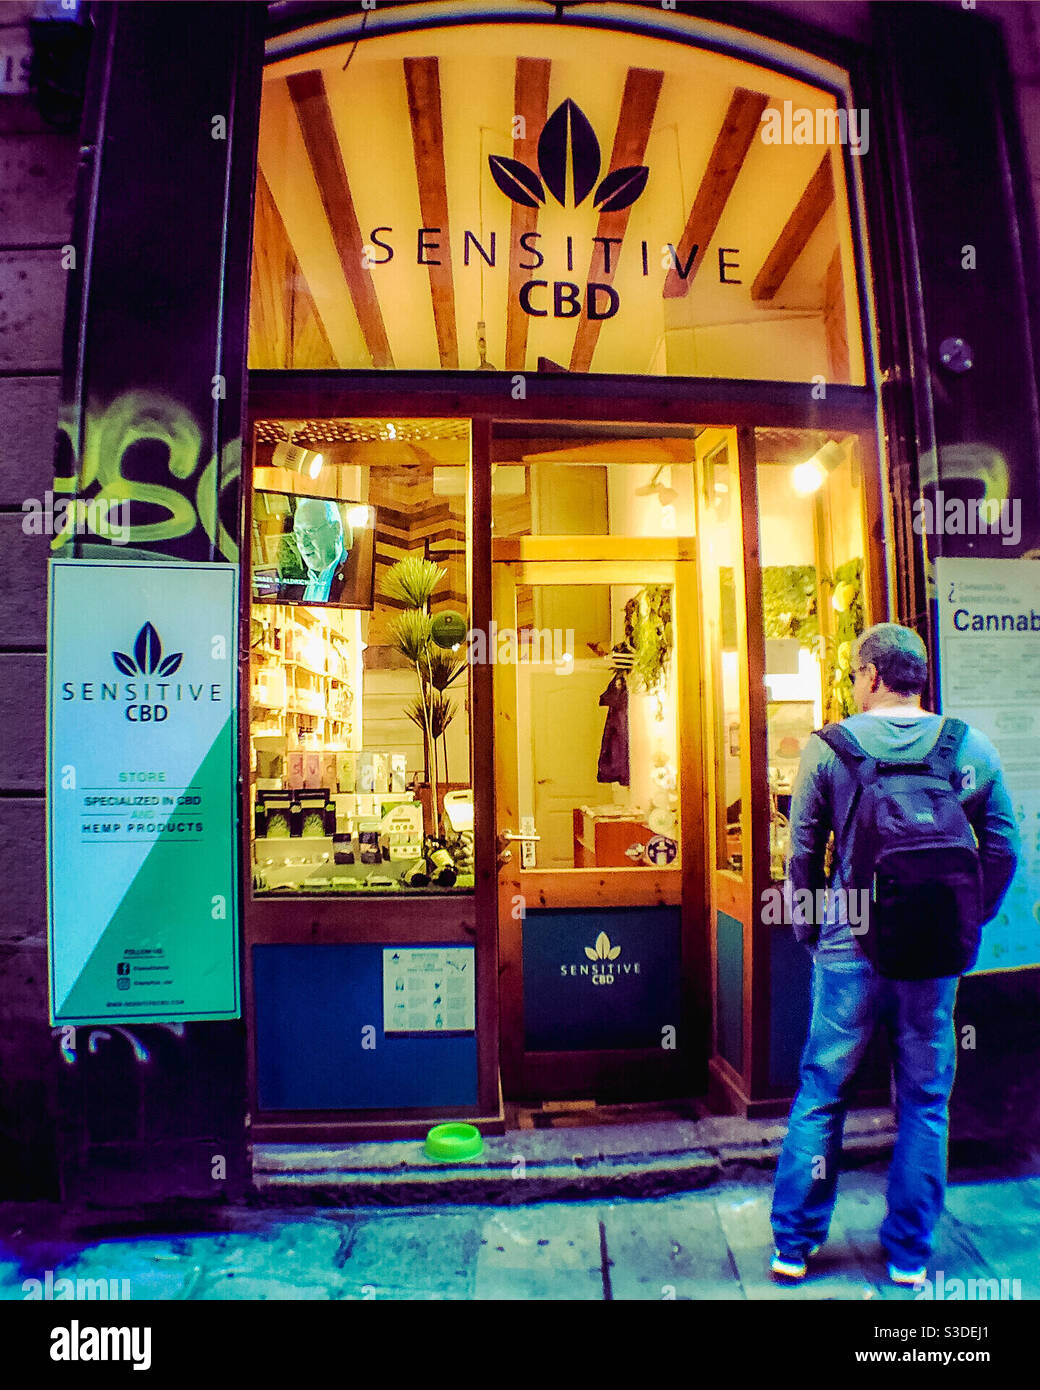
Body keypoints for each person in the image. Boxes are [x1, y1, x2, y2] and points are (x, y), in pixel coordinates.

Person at [770, 622, 1019, 1287]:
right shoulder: (971, 748)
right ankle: (910, 1253)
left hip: (849, 942)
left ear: (872, 676)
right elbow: (1004, 851)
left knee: (823, 1090)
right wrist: (965, 922)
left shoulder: (829, 750)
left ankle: (794, 1244)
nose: (855, 686)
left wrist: (811, 930)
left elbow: (801, 858)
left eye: (856, 675)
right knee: (926, 1097)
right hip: (932, 953)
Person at [291, 499, 354, 603]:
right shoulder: (293, 586)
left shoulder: (357, 578)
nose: (302, 543)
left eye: (310, 531)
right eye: (298, 533)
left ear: (336, 530)